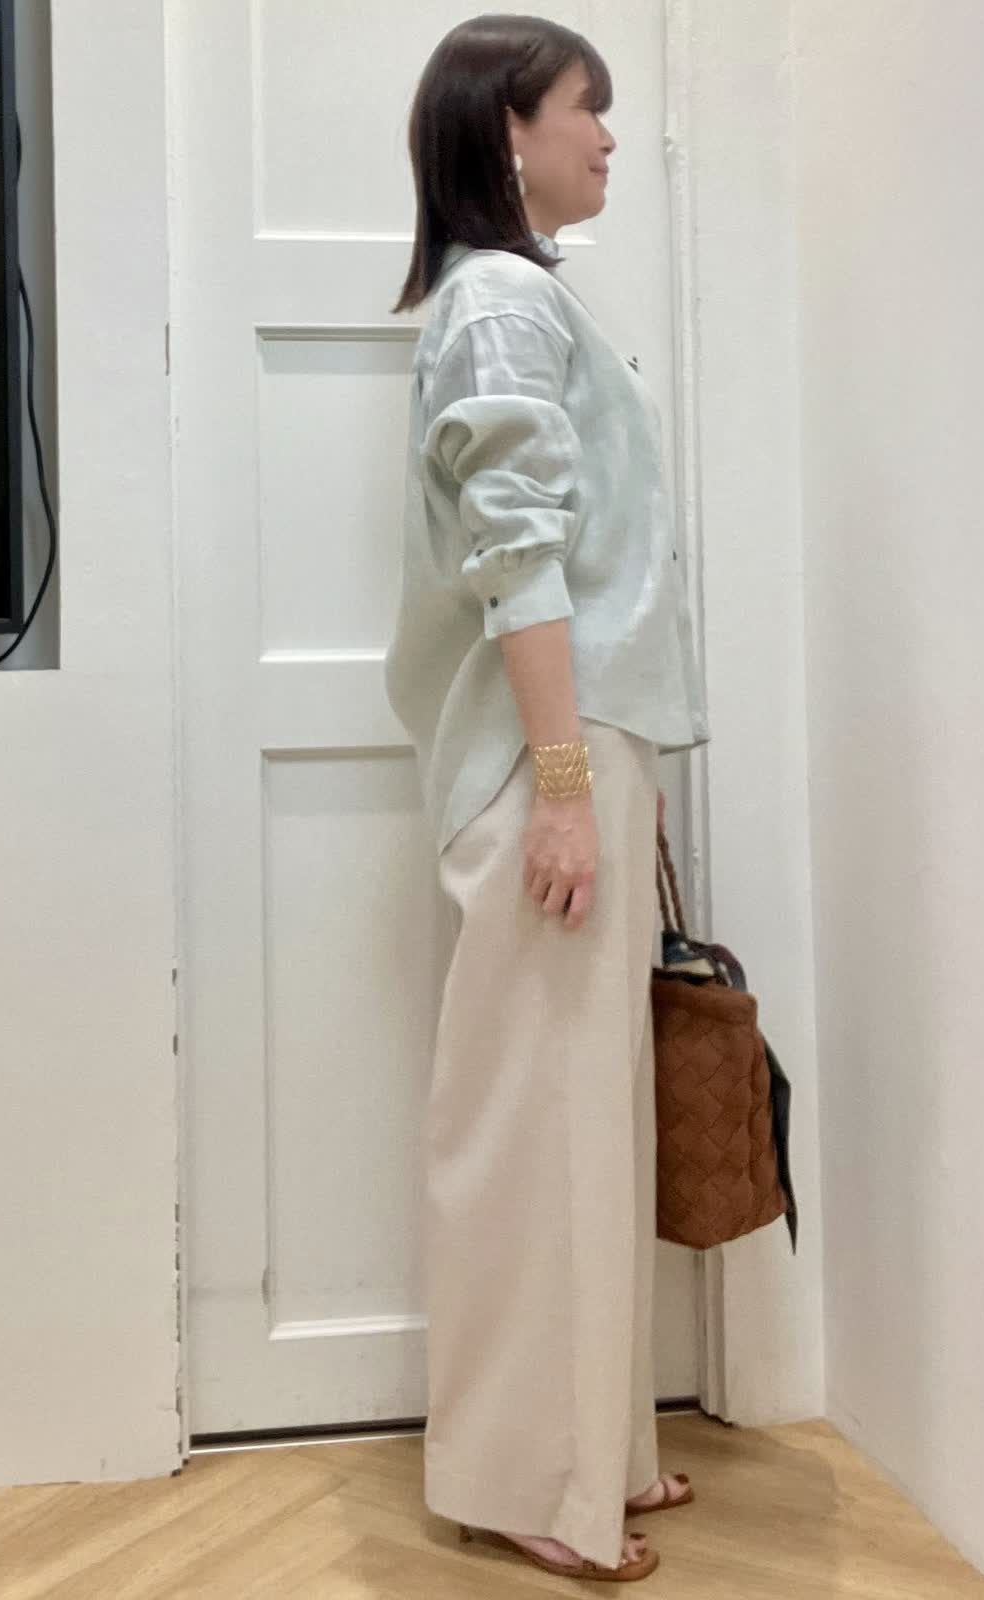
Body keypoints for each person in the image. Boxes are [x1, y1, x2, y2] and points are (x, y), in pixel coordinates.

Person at [384, 13, 710, 1585]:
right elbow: (516, 554)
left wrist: (609, 779)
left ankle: (596, 1451)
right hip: (541, 760)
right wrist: (571, 789)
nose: (607, 137)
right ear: (508, 128)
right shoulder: (502, 301)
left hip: (571, 748)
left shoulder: (520, 296)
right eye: (589, 108)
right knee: (538, 1133)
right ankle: (525, 1477)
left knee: (580, 1116)